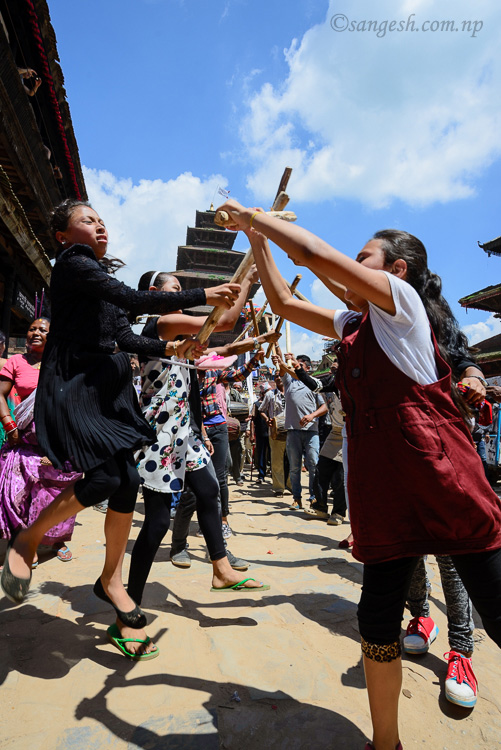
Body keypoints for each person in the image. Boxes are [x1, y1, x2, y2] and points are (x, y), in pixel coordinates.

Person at [215, 199, 501, 750]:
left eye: (361, 256)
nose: (349, 263)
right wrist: (257, 244)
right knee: (375, 627)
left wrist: (255, 218)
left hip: (446, 486)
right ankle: (385, 742)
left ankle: (457, 657)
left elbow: (311, 252)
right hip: (385, 497)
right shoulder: (354, 324)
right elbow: (283, 301)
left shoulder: (404, 306)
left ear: (395, 271)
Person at [0, 199, 242, 660]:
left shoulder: (98, 282)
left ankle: (111, 580)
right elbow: (135, 301)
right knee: (111, 479)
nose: (99, 225)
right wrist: (203, 295)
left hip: (110, 395)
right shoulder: (73, 265)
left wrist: (175, 350)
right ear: (64, 236)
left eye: (101, 220)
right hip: (79, 388)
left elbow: (126, 337)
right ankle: (30, 537)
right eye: (87, 220)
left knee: (126, 479)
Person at [127, 268, 268, 603]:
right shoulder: (160, 325)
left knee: (208, 490)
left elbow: (206, 356)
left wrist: (239, 346)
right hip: (159, 432)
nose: (180, 297)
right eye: (175, 290)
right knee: (158, 521)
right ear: (153, 292)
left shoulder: (173, 336)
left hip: (184, 430)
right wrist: (247, 279)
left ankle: (220, 569)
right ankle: (129, 598)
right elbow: (223, 322)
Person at [0, 318, 78, 563]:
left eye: (42, 330)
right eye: (32, 329)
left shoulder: (64, 364)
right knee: (16, 494)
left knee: (54, 494)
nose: (35, 333)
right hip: (22, 439)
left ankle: (56, 539)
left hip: (57, 440)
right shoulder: (16, 362)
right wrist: (8, 423)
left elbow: (73, 403)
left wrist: (60, 446)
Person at [280, 353, 327, 509]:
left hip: (311, 431)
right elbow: (282, 367)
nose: (295, 367)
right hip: (293, 430)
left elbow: (325, 406)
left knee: (314, 464)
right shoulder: (289, 382)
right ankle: (297, 498)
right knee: (294, 467)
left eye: (299, 365)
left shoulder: (314, 384)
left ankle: (314, 497)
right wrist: (278, 354)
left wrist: (312, 415)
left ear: (307, 368)